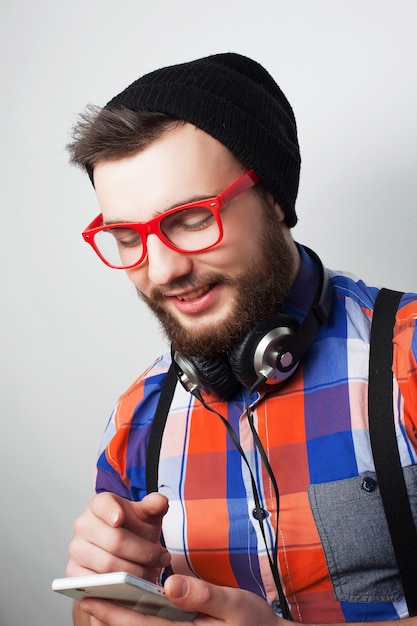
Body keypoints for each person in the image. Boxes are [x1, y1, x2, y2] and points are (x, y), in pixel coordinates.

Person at [65, 53, 417, 626]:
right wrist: (98, 606)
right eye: (127, 236)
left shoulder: (409, 356)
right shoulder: (138, 419)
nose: (161, 272)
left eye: (194, 218)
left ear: (275, 198)